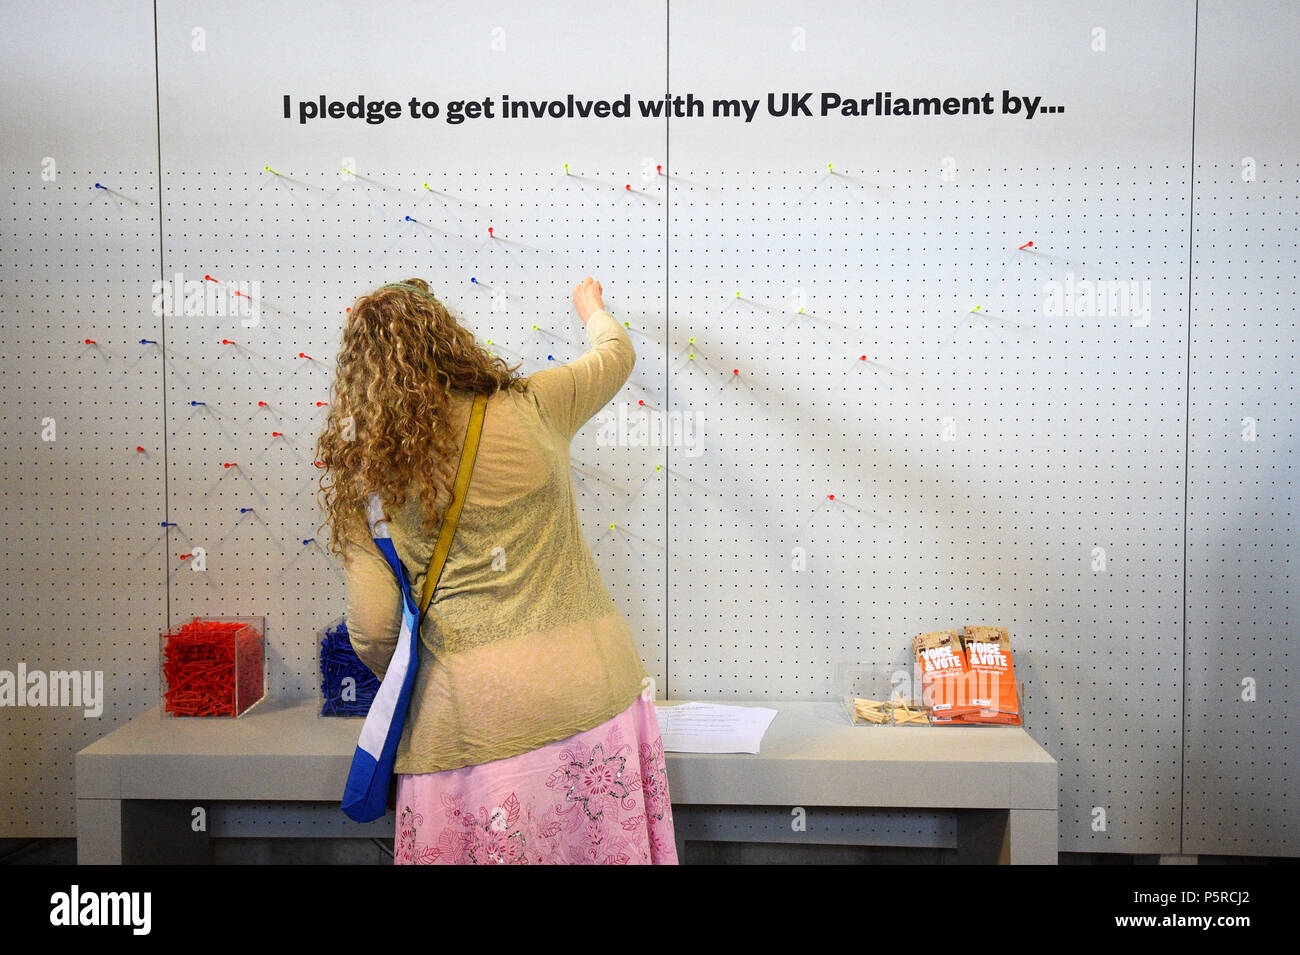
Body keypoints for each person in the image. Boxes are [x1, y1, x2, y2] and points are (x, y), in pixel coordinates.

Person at [316, 276, 678, 864]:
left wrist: (421, 677)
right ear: (449, 340)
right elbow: (616, 354)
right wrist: (592, 310)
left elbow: (377, 629)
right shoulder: (537, 404)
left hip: (470, 725)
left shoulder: (369, 472)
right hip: (594, 696)